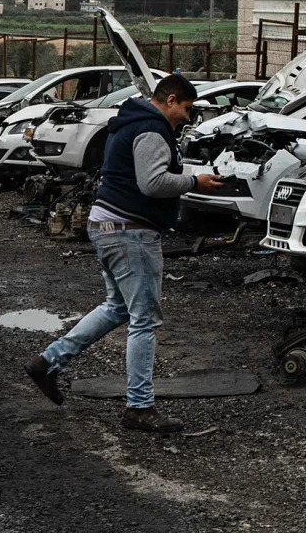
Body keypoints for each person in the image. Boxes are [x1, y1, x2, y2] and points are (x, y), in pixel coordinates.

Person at [25, 73, 220, 431]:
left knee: (118, 308)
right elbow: (153, 183)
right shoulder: (151, 130)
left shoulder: (131, 123)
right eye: (187, 109)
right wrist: (195, 182)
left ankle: (47, 362)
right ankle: (139, 407)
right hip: (130, 231)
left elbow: (141, 174)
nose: (188, 117)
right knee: (144, 318)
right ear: (171, 99)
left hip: (108, 225)